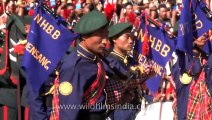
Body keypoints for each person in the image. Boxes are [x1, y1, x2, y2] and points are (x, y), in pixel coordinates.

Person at [57, 10, 108, 120]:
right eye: (100, 35)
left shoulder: (95, 57)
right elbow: (68, 112)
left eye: (106, 35)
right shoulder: (74, 67)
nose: (105, 41)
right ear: (85, 36)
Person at [104, 22, 154, 120]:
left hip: (137, 106)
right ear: (114, 39)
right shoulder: (109, 62)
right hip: (119, 112)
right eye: (126, 37)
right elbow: (126, 82)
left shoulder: (131, 60)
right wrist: (142, 73)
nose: (131, 41)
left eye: (131, 37)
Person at [171, 32, 212, 119]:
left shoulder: (207, 62)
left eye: (207, 30)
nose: (205, 34)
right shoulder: (179, 63)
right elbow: (176, 97)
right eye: (201, 30)